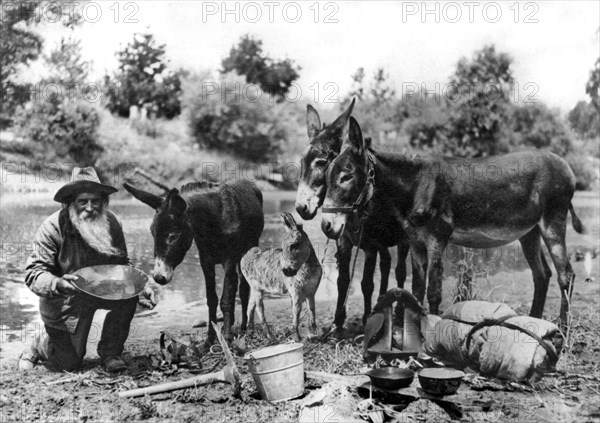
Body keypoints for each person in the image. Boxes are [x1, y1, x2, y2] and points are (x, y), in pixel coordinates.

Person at [18, 166, 156, 372]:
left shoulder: (112, 223)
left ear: (104, 201)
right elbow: (33, 274)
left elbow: (123, 266)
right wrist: (58, 283)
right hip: (66, 301)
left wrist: (141, 285)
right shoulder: (52, 228)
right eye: (83, 201)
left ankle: (111, 352)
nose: (90, 207)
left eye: (96, 201)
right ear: (70, 203)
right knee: (68, 365)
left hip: (101, 290)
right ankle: (39, 344)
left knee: (130, 295)